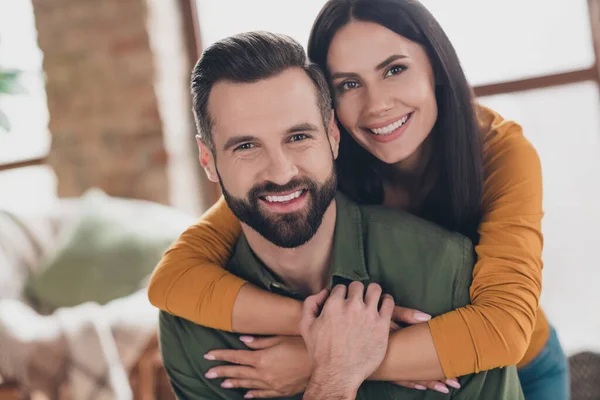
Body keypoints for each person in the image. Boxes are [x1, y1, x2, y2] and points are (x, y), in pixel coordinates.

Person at [150, 0, 570, 399]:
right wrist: (321, 332)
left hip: (522, 362)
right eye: (349, 84)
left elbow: (503, 330)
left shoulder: (499, 152)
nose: (377, 105)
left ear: (435, 68)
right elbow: (174, 281)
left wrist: (328, 360)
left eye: (394, 70)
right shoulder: (310, 162)